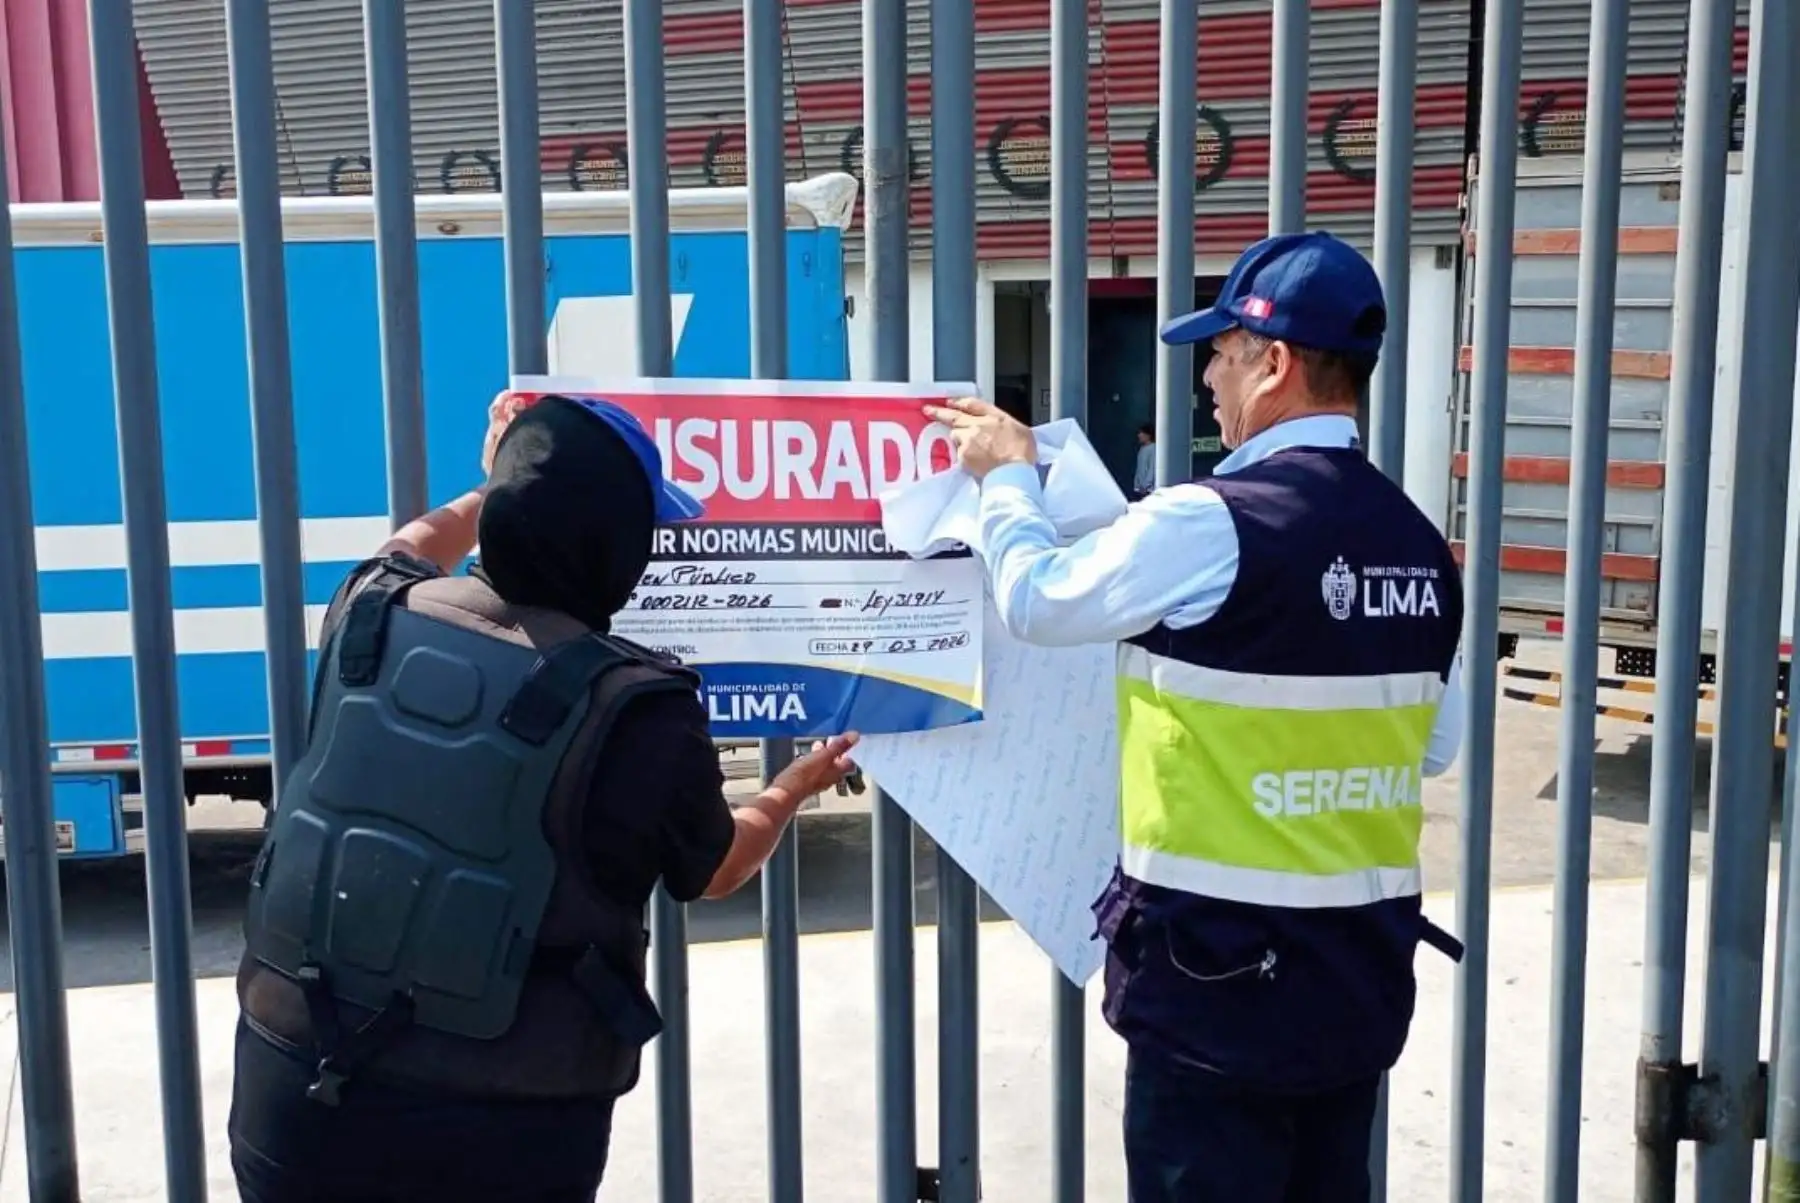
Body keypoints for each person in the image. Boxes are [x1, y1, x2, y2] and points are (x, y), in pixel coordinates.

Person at [923, 231, 1466, 1203]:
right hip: (1355, 993)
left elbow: (1040, 601)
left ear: (1275, 363)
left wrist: (1006, 476)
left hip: (1216, 1000)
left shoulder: (1209, 521)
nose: (1209, 376)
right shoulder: (1421, 547)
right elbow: (1434, 746)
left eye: (1220, 352)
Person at [227, 389, 860, 1203]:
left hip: (294, 1091)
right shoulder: (638, 705)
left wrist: (497, 475)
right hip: (500, 1126)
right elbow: (715, 868)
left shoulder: (367, 608)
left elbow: (418, 541)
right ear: (617, 542)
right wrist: (794, 784)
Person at [1132, 421, 1156, 500]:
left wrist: (1146, 485)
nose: (1139, 435)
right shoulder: (1142, 449)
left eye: (1141, 433)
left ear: (1148, 435)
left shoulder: (1153, 448)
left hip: (1148, 490)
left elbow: (1152, 468)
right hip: (1140, 489)